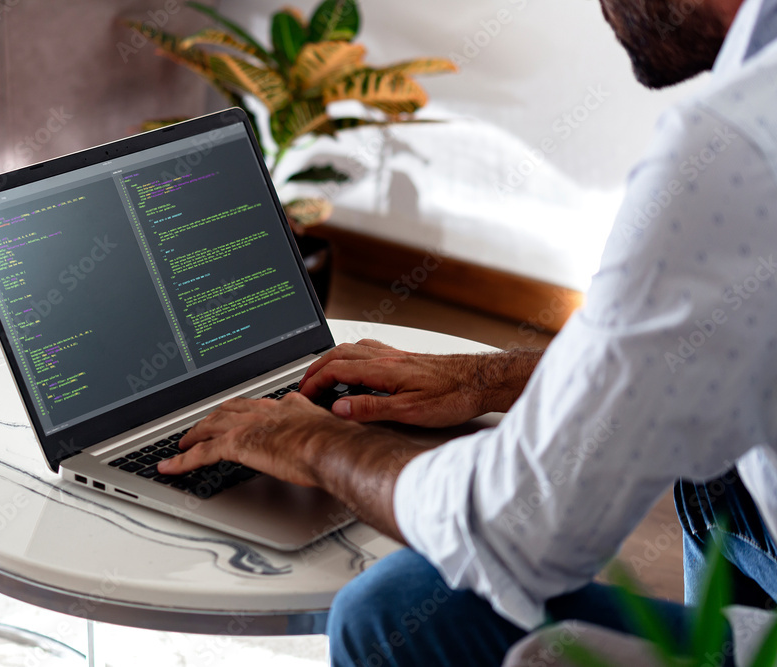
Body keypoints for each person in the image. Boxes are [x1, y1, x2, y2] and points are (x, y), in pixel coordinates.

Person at [157, 0, 777, 663]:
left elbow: (519, 532)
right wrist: (485, 375)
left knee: (395, 612)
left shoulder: (732, 141)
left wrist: (313, 441)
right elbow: (709, 339)